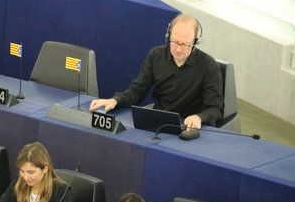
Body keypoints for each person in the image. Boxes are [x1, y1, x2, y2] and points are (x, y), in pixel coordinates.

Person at [90, 14, 223, 129]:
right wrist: (115, 101)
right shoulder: (156, 55)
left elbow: (216, 109)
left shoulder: (208, 66)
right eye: (174, 42)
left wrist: (198, 117)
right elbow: (138, 90)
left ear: (195, 41)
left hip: (187, 125)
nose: (178, 49)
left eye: (185, 45)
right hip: (158, 121)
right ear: (168, 34)